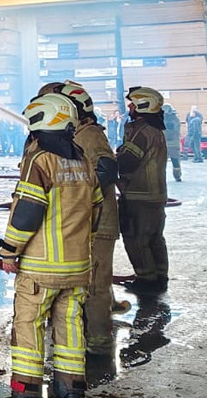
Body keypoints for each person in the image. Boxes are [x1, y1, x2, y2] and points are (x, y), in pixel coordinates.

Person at [0, 93, 101, 398]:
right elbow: (97, 208)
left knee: (28, 330)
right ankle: (71, 390)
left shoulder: (39, 160)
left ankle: (26, 392)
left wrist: (9, 250)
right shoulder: (82, 159)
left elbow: (28, 211)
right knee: (70, 331)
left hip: (40, 270)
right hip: (77, 269)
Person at [38, 82, 122, 355]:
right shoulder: (72, 137)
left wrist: (79, 190)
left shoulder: (90, 135)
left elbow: (107, 167)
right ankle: (82, 334)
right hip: (81, 224)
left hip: (97, 223)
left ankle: (99, 344)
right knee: (83, 282)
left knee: (95, 284)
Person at [117, 86, 169, 294]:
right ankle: (159, 277)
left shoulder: (140, 131)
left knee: (137, 239)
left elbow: (127, 162)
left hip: (139, 195)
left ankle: (146, 280)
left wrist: (112, 160)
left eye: (132, 103)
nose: (129, 106)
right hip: (155, 195)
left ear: (142, 106)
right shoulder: (155, 130)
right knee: (155, 238)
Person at [162, 104, 182, 182]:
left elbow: (175, 131)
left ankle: (177, 175)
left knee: (175, 161)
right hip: (163, 144)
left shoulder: (175, 120)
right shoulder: (160, 119)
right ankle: (161, 176)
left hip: (173, 144)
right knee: (162, 163)